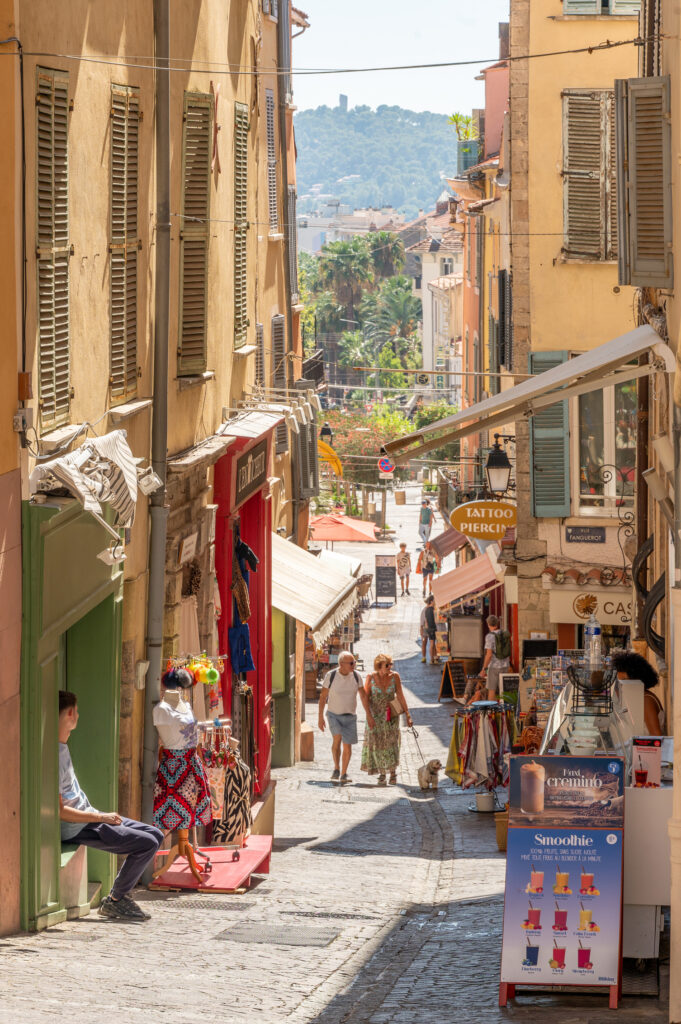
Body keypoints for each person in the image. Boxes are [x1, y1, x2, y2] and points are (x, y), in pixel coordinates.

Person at [58, 690, 163, 921]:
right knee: (146, 844)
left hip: (89, 817)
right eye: (76, 711)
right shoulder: (53, 755)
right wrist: (102, 818)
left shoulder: (62, 745)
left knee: (155, 834)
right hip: (79, 826)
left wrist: (98, 815)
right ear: (70, 713)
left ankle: (117, 898)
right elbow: (60, 812)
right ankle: (116, 900)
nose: (78, 715)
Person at [318, 651, 375, 784]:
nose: (354, 664)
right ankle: (336, 768)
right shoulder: (331, 676)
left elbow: (363, 696)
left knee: (347, 746)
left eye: (354, 662)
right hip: (333, 714)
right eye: (351, 663)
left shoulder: (356, 676)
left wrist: (369, 715)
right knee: (337, 739)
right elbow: (322, 697)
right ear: (341, 664)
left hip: (350, 716)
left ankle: (343, 773)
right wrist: (320, 717)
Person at [361, 653, 413, 785]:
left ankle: (393, 772)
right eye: (387, 665)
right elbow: (365, 698)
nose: (390, 667)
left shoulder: (395, 677)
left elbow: (400, 695)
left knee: (392, 743)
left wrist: (408, 714)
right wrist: (368, 716)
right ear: (379, 666)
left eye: (391, 664)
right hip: (375, 717)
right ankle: (382, 772)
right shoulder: (370, 678)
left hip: (391, 717)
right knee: (377, 744)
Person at [612, 650, 666, 736]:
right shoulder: (635, 698)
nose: (621, 687)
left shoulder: (646, 700)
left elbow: (656, 737)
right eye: (619, 683)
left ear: (636, 680)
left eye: (624, 682)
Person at [480, 614, 511, 698]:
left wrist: (484, 669)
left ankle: (492, 710)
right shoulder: (504, 634)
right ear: (497, 624)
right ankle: (503, 709)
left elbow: (489, 655)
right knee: (503, 690)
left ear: (488, 624)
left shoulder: (489, 636)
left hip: (494, 667)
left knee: (492, 690)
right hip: (505, 665)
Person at [420, 595, 438, 665]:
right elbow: (423, 620)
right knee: (430, 643)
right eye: (434, 601)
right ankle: (430, 658)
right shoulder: (430, 609)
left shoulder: (427, 609)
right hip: (429, 628)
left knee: (431, 643)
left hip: (427, 628)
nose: (435, 602)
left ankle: (432, 658)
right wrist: (421, 629)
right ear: (431, 601)